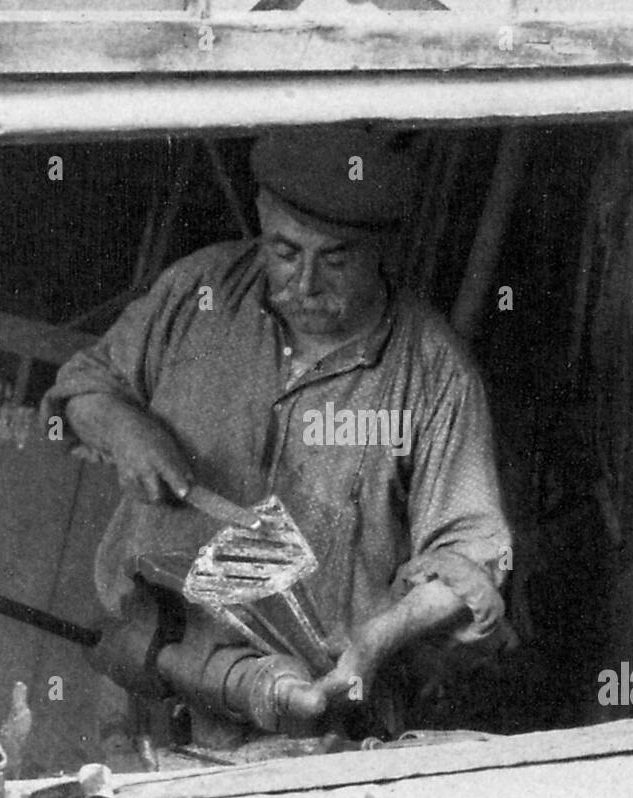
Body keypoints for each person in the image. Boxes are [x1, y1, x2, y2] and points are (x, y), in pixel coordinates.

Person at [42, 125, 512, 737]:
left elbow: (475, 554)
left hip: (310, 707)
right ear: (262, 223)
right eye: (285, 252)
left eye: (336, 257)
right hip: (146, 665)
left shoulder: (433, 373)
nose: (305, 282)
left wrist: (374, 640)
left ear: (382, 250)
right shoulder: (200, 290)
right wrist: (121, 425)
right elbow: (84, 384)